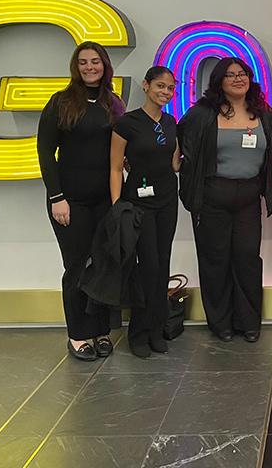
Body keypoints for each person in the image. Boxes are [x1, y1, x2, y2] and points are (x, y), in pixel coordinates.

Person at [178, 57, 272, 343]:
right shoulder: (202, 113)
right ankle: (220, 323)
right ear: (219, 82)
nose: (238, 79)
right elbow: (180, 142)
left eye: (242, 74)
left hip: (249, 199)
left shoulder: (265, 114)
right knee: (215, 260)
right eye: (230, 75)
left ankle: (248, 321)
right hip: (212, 198)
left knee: (248, 258)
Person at [38, 42, 125, 361]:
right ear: (76, 67)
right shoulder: (61, 102)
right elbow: (45, 152)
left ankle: (100, 331)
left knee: (103, 266)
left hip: (105, 199)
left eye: (96, 62)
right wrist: (56, 197)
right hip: (70, 201)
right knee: (77, 267)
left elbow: (120, 149)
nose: (90, 67)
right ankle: (78, 334)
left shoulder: (112, 103)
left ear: (104, 66)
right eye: (84, 62)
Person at [109, 66, 180, 358]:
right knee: (145, 266)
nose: (165, 92)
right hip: (138, 203)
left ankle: (155, 328)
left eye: (170, 88)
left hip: (167, 200)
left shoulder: (171, 121)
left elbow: (174, 162)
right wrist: (117, 207)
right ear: (146, 85)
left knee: (162, 264)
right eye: (160, 86)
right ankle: (138, 332)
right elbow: (115, 167)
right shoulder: (126, 123)